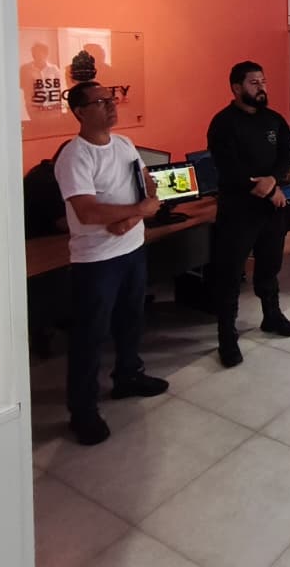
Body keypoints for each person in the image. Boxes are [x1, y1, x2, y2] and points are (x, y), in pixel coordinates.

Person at [53, 81, 168, 445]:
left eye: (111, 98)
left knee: (131, 319)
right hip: (97, 259)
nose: (111, 105)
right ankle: (83, 410)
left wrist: (130, 219)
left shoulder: (124, 144)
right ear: (79, 112)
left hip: (132, 248)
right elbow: (87, 212)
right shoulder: (74, 156)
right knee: (90, 334)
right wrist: (138, 211)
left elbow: (147, 186)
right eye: (100, 101)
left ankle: (128, 376)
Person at [206, 61, 290, 369]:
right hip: (238, 210)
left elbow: (286, 153)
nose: (261, 88)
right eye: (253, 83)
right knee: (230, 273)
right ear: (236, 88)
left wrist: (273, 180)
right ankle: (226, 336)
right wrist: (267, 188)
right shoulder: (223, 124)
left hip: (270, 209)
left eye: (263, 81)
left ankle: (271, 316)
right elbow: (229, 168)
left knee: (270, 265)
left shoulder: (274, 120)